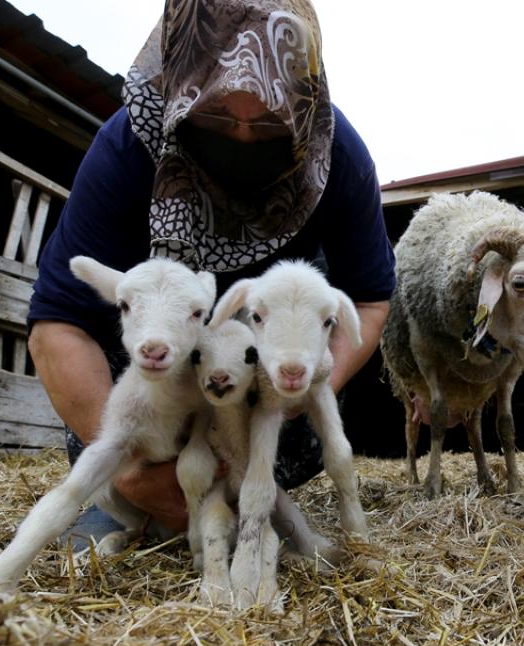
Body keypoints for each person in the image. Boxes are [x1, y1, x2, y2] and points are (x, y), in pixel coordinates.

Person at [26, 0, 394, 546]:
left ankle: (256, 493)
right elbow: (58, 323)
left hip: (259, 374)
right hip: (160, 389)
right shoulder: (127, 150)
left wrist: (304, 386)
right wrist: (128, 467)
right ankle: (134, 499)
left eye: (270, 120)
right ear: (181, 86)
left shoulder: (337, 156)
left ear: (303, 98)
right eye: (218, 114)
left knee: (302, 319)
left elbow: (368, 297)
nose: (243, 136)